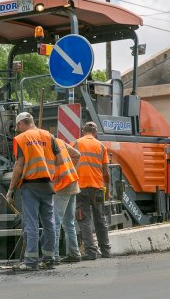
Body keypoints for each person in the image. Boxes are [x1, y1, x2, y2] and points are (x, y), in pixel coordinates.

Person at [6, 112, 62, 270]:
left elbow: (18, 166)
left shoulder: (21, 139)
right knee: (49, 223)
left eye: (18, 128)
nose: (18, 131)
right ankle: (49, 258)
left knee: (31, 224)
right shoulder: (49, 136)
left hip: (30, 186)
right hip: (47, 185)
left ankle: (31, 262)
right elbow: (60, 160)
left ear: (20, 124)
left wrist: (10, 190)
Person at [74, 122, 112, 259]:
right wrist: (106, 190)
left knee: (84, 220)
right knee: (100, 219)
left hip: (81, 188)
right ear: (95, 132)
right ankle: (106, 251)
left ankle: (90, 252)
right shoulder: (101, 147)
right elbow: (106, 172)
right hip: (97, 188)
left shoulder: (76, 144)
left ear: (83, 131)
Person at [52, 137, 83, 264]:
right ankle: (75, 254)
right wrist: (70, 169)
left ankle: (54, 256)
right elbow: (77, 154)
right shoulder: (59, 141)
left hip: (62, 186)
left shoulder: (47, 145)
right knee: (69, 222)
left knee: (56, 222)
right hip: (72, 182)